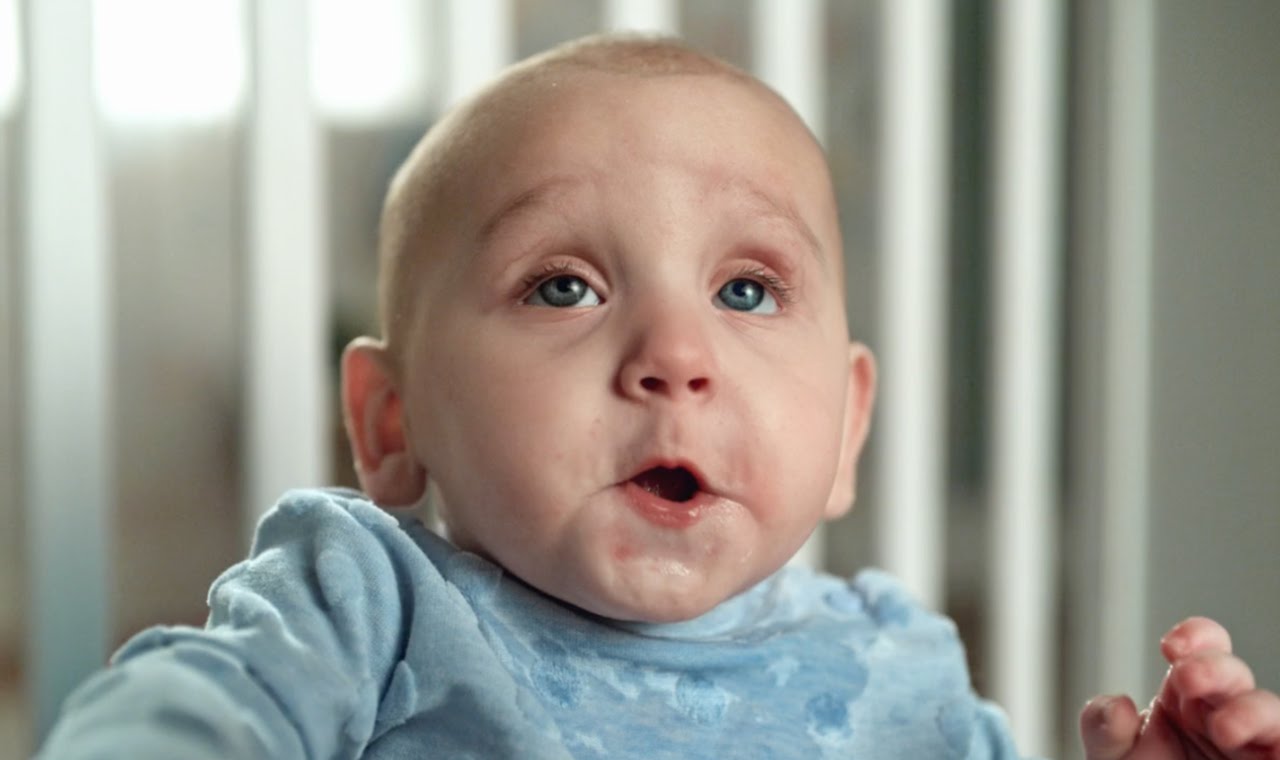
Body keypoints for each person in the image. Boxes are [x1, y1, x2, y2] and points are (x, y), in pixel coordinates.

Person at [38, 34, 1280, 760]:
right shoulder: (373, 603)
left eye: (745, 290)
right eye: (564, 285)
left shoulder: (902, 670)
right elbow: (188, 715)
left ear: (846, 428)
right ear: (390, 423)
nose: (674, 355)